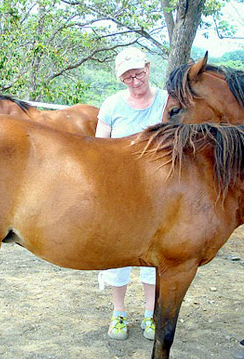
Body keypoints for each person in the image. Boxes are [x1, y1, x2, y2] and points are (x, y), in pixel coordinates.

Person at [96, 46, 169, 341]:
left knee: (156, 255)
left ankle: (151, 314)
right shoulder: (112, 105)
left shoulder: (165, 101)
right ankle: (119, 313)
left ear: (148, 68)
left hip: (159, 193)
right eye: (127, 77)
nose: (135, 80)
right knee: (119, 254)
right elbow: (98, 149)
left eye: (138, 73)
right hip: (121, 193)